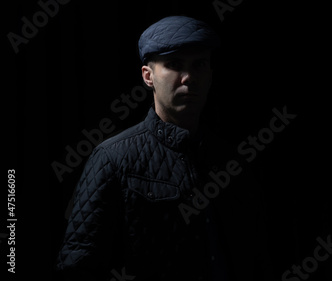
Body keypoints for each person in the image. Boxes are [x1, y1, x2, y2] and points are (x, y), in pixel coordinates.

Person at [56, 16, 271, 281]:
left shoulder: (231, 160)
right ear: (148, 76)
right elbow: (78, 267)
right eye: (174, 65)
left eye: (199, 65)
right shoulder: (112, 158)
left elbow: (259, 256)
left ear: (210, 75)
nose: (188, 77)